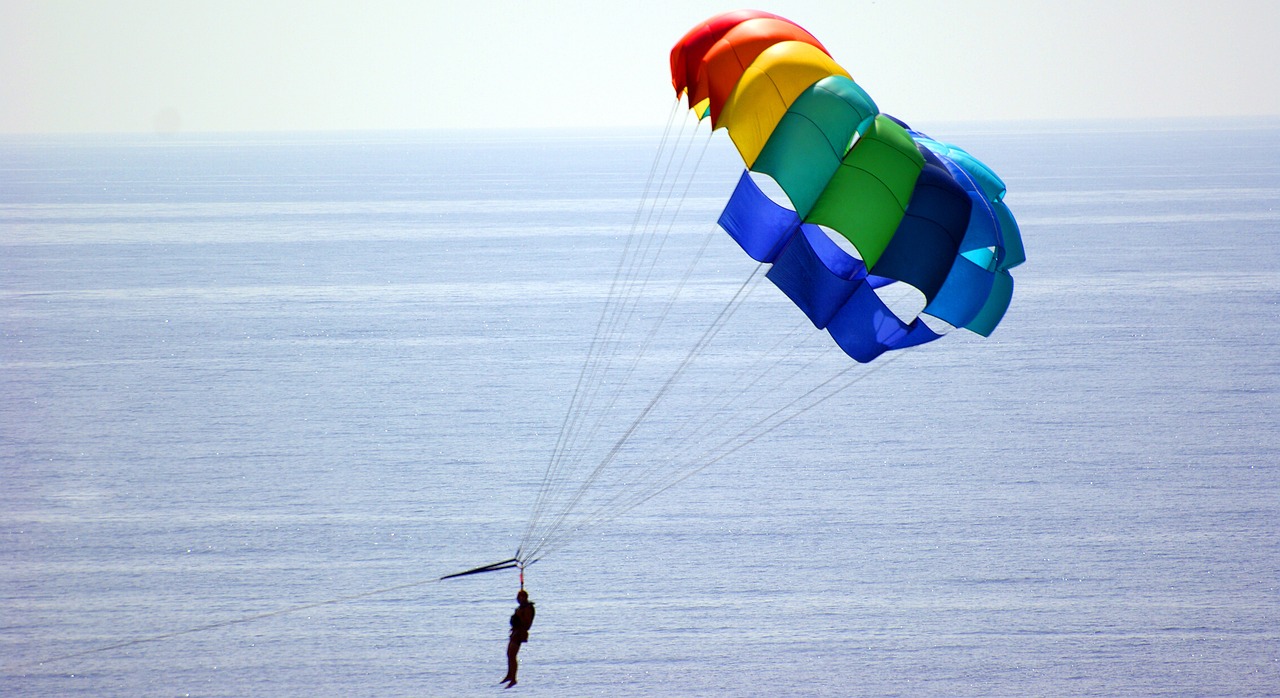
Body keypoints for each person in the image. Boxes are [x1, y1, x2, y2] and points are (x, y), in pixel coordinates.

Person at [501, 589, 535, 688]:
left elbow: (526, 624)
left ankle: (513, 679)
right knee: (509, 654)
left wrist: (519, 616)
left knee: (512, 655)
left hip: (520, 633)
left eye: (520, 597)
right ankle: (509, 674)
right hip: (515, 632)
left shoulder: (528, 608)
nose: (519, 600)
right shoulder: (521, 608)